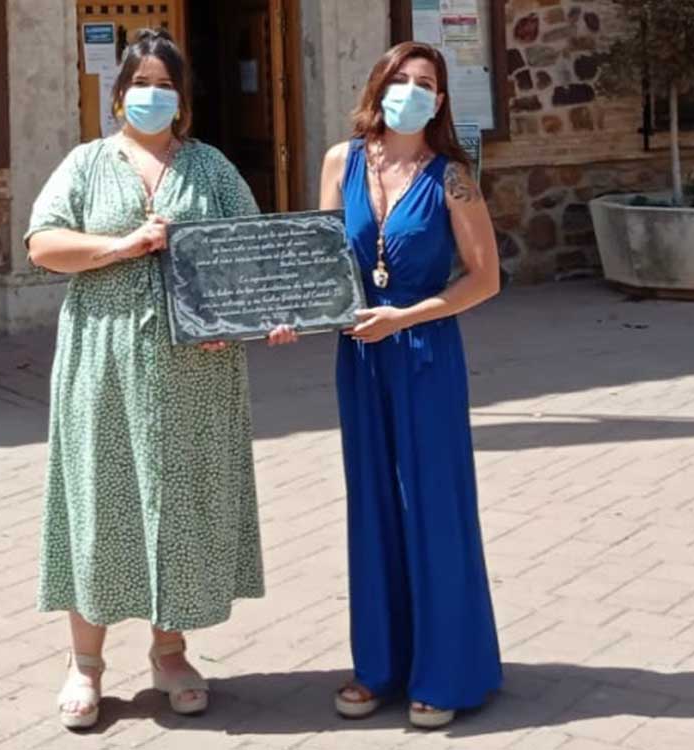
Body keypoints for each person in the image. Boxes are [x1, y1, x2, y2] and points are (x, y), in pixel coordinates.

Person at [25, 28, 270, 730]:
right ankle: (85, 663)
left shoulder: (212, 169)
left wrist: (251, 315)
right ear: (119, 92)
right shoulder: (86, 163)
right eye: (141, 83)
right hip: (101, 357)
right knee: (99, 498)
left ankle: (170, 653)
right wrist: (122, 246)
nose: (153, 95)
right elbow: (44, 243)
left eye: (165, 85)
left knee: (182, 502)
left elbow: (251, 253)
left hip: (197, 363)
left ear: (182, 98)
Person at [268, 41, 503, 729]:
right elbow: (323, 266)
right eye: (401, 79)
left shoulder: (452, 177)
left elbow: (484, 279)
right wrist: (292, 318)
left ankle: (446, 672)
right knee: (372, 506)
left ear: (439, 100)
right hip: (360, 358)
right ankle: (379, 667)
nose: (411, 91)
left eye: (425, 83)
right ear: (380, 85)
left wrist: (407, 316)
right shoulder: (341, 161)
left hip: (424, 350)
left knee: (431, 505)